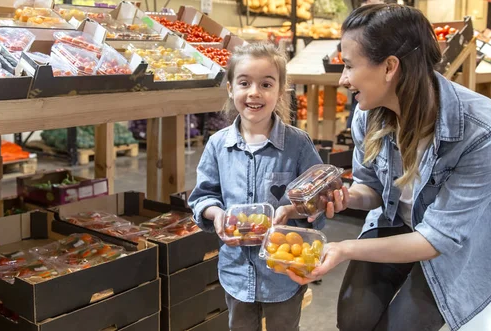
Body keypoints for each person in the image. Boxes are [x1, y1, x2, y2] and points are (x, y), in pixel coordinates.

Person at [286, 4, 491, 331]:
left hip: (450, 249)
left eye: (349, 66)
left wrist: (342, 248)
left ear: (390, 67)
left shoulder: (479, 132)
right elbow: (372, 190)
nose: (343, 79)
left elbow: (436, 240)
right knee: (353, 320)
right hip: (396, 223)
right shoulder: (368, 114)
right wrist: (342, 196)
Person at [188, 43, 325, 331]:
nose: (254, 92)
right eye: (244, 83)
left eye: (266, 84)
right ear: (230, 89)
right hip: (236, 270)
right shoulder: (217, 145)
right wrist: (216, 215)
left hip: (284, 271)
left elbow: (318, 201)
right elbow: (203, 195)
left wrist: (293, 208)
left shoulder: (298, 145)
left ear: (281, 90)